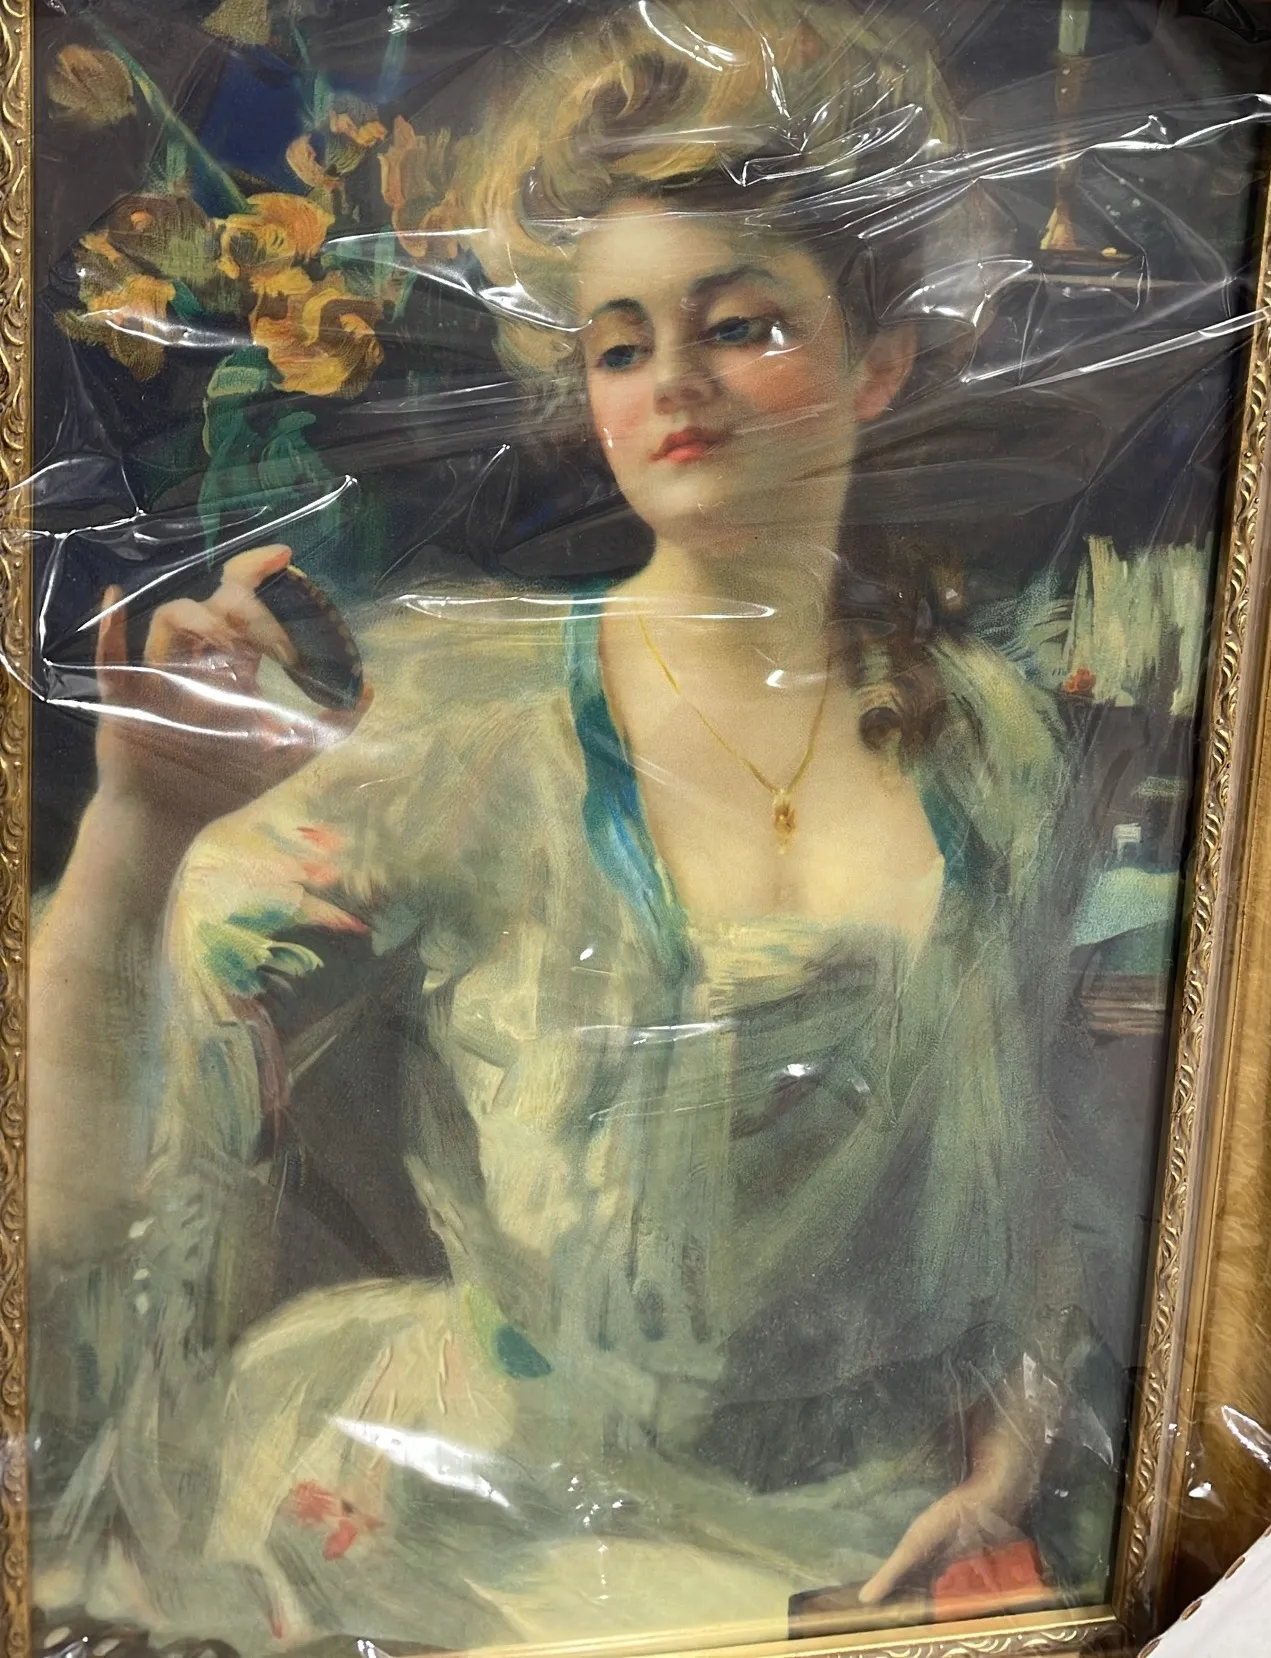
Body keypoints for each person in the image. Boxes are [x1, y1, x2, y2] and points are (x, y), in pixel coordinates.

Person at [28, 1, 1103, 1649]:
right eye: (618, 343)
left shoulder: (998, 744)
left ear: (881, 360)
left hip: (865, 1534)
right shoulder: (475, 723)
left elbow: (1029, 1187)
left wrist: (1010, 1452)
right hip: (501, 1536)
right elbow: (72, 1203)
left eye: (741, 325)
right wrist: (137, 828)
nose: (673, 384)